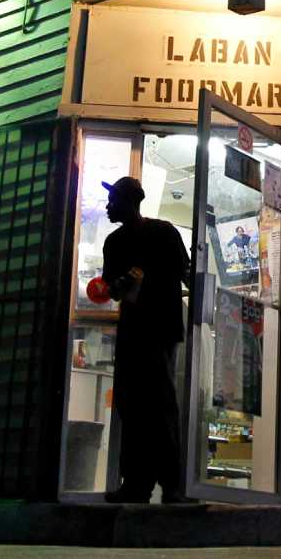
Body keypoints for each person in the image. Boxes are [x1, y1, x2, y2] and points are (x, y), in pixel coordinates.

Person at [99, 176, 194, 505]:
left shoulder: (161, 232)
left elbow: (186, 272)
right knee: (134, 405)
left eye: (113, 201)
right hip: (144, 329)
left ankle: (167, 486)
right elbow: (111, 289)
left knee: (156, 406)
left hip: (155, 329)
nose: (109, 207)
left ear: (129, 201)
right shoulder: (123, 240)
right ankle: (141, 484)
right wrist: (120, 286)